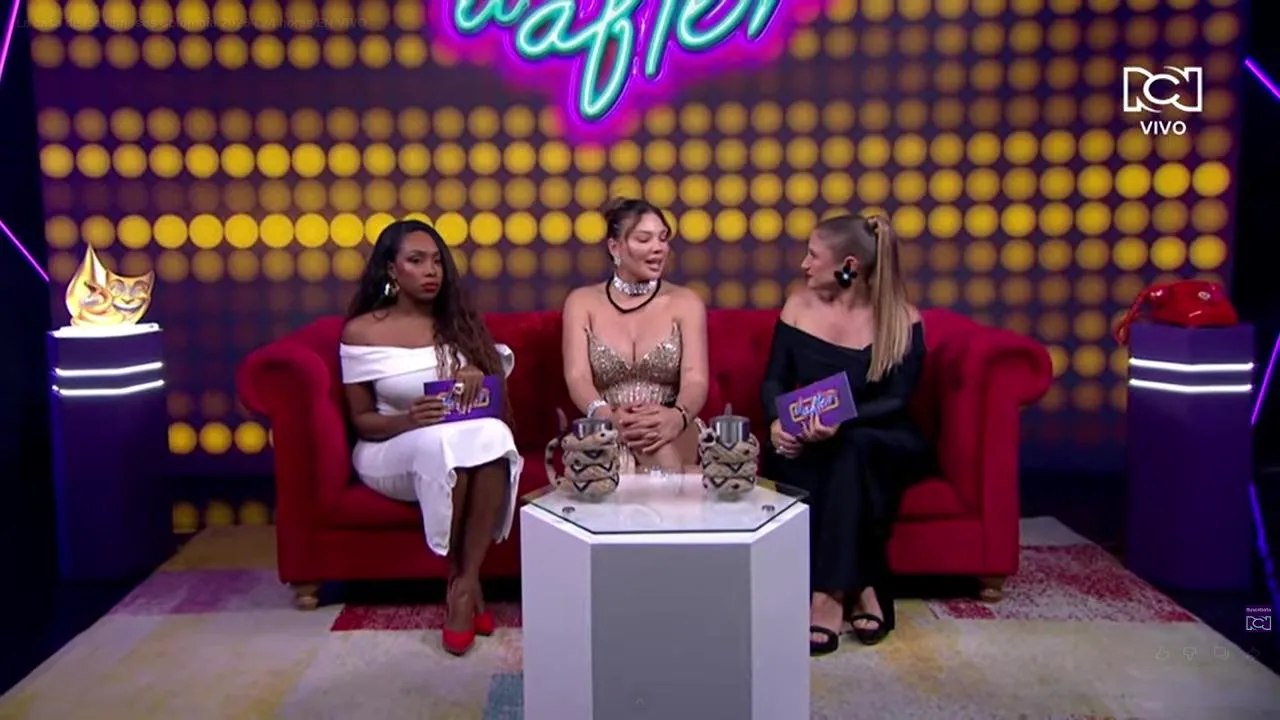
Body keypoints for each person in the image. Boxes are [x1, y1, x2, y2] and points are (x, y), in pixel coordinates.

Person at [339, 219, 521, 657]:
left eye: (436, 261)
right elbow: (363, 421)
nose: (430, 271)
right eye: (416, 261)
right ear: (391, 269)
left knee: (494, 434)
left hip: (455, 444)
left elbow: (491, 403)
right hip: (388, 449)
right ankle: (467, 585)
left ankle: (463, 586)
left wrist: (475, 370)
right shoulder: (361, 332)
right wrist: (408, 419)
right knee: (443, 445)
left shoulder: (457, 325)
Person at [761, 212, 932, 656]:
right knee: (837, 455)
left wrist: (843, 422)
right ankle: (865, 585)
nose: (804, 264)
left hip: (882, 439)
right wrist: (778, 422)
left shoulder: (902, 319)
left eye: (813, 255)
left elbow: (896, 401)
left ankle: (827, 594)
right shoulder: (798, 306)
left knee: (852, 447)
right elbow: (774, 380)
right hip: (812, 440)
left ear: (849, 266)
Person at [561, 197, 709, 471]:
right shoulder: (581, 302)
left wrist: (677, 417)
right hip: (606, 425)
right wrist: (608, 417)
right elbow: (577, 377)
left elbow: (696, 379)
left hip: (673, 424)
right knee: (643, 462)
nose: (658, 248)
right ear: (615, 247)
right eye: (644, 239)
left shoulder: (686, 302)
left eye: (663, 238)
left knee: (660, 450)